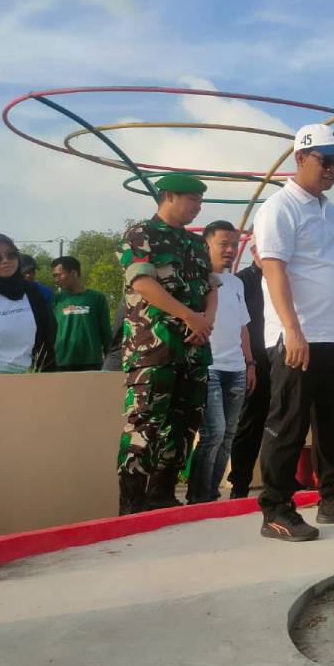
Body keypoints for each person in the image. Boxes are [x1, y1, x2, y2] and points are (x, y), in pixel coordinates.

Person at [252, 124, 334, 541]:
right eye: (326, 161)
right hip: (297, 336)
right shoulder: (279, 208)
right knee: (288, 422)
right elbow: (273, 269)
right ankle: (276, 507)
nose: (333, 170)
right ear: (300, 158)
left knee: (333, 423)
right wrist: (292, 329)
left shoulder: (333, 212)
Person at [116, 175, 219, 515]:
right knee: (145, 425)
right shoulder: (140, 234)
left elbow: (211, 286)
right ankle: (132, 503)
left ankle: (163, 496)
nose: (197, 206)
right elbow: (144, 283)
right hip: (154, 349)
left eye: (200, 201)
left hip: (193, 350)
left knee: (184, 425)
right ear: (169, 197)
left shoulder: (195, 244)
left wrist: (205, 320)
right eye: (192, 199)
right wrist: (190, 316)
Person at [187, 221, 256, 503]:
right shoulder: (195, 279)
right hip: (209, 367)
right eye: (223, 244)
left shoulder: (236, 282)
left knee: (228, 435)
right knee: (212, 433)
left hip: (237, 369)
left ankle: (211, 495)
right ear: (207, 245)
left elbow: (243, 327)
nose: (229, 250)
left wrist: (250, 364)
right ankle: (198, 498)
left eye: (233, 244)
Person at [227, 243, 269, 498]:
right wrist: (248, 361)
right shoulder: (240, 282)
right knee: (250, 423)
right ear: (253, 250)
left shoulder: (288, 278)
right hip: (255, 362)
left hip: (287, 358)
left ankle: (280, 476)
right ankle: (240, 482)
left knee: (286, 421)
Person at [0, 233, 56, 373]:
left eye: (11, 255)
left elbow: (47, 337)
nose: (5, 260)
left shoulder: (32, 291)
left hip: (32, 379)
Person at [50, 256, 112, 371]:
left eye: (59, 275)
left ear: (73, 273)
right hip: (62, 362)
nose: (56, 279)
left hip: (92, 362)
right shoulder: (56, 300)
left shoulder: (97, 298)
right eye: (54, 276)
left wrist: (111, 358)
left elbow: (106, 332)